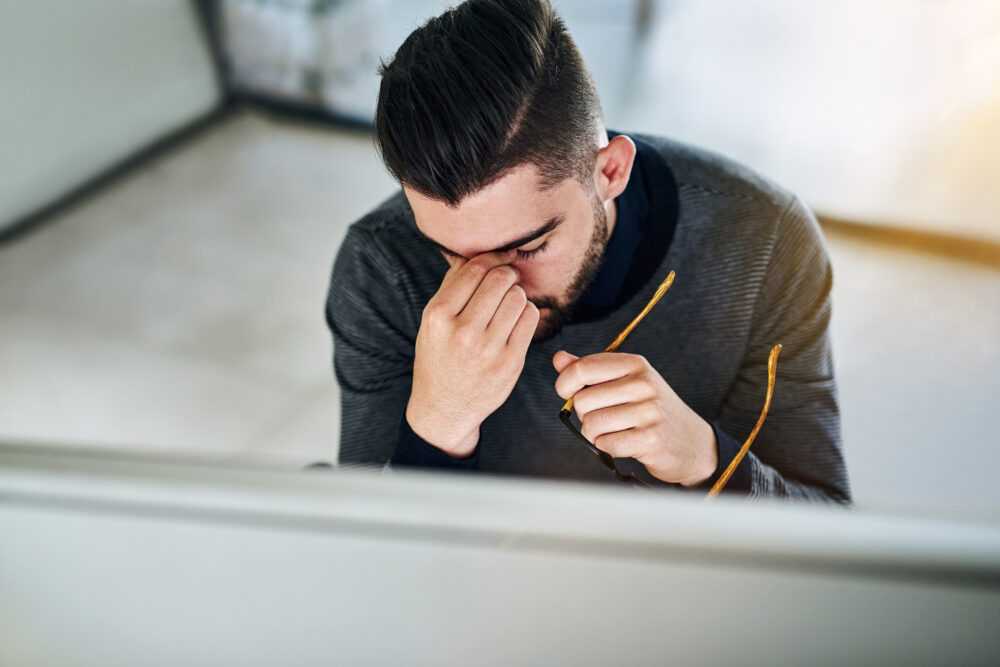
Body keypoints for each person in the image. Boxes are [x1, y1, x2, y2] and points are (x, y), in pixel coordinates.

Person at [325, 0, 851, 501]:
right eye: (451, 254)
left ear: (610, 172)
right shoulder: (381, 267)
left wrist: (704, 459)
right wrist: (436, 427)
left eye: (529, 246)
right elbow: (362, 549)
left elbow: (824, 530)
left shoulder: (765, 242)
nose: (495, 287)